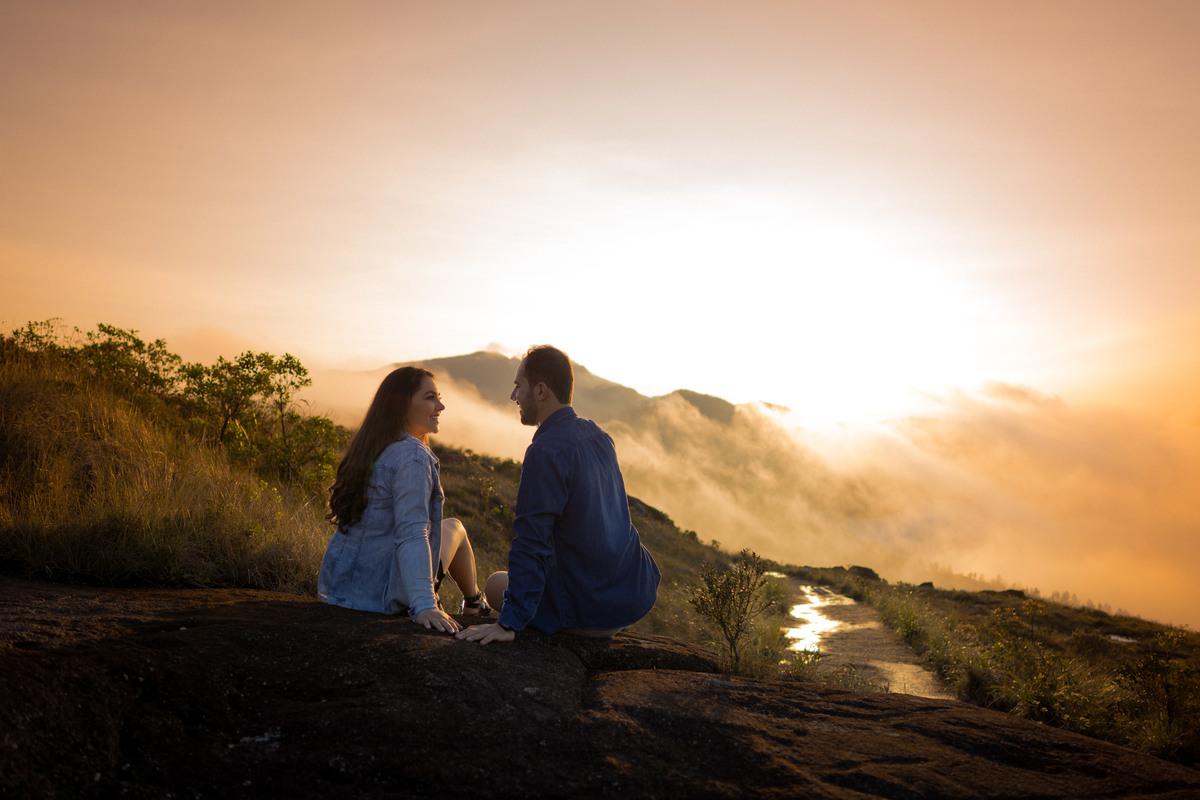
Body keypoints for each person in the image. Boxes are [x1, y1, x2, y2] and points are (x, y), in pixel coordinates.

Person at [457, 345, 660, 645]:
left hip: (586, 612)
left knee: (495, 584)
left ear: (540, 391)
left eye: (518, 386)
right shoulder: (600, 437)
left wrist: (509, 623)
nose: (513, 397)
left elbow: (531, 541)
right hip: (630, 598)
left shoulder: (545, 451)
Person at [318, 366, 491, 633]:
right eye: (430, 397)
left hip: (340, 591)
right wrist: (425, 605)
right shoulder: (412, 457)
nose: (441, 405)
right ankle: (476, 603)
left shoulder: (373, 447)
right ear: (401, 405)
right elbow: (412, 533)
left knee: (453, 526)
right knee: (454, 528)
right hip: (382, 596)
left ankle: (475, 602)